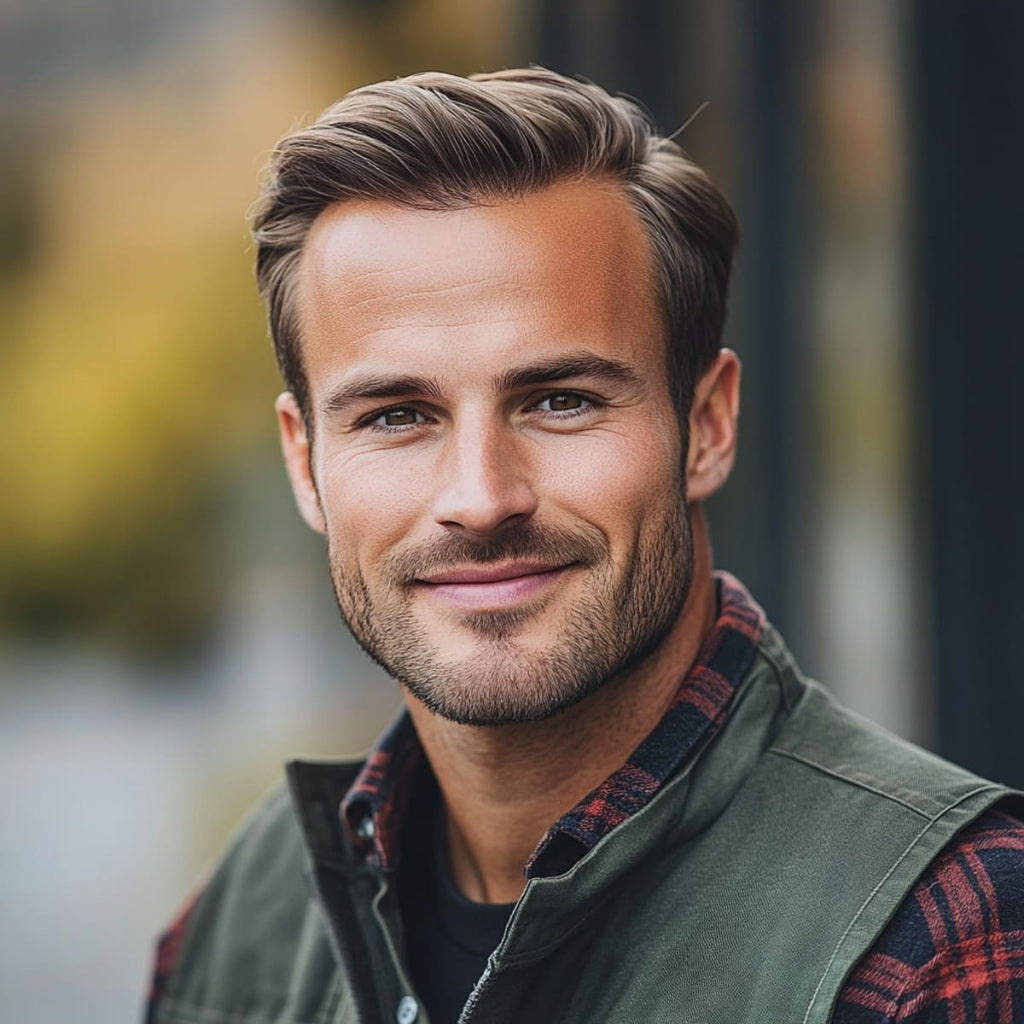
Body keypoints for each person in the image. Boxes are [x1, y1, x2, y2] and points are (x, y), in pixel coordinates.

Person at [145, 68, 1024, 1024]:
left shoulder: (944, 935)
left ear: (710, 422)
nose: (481, 499)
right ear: (306, 465)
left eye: (562, 401)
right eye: (398, 415)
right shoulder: (245, 918)